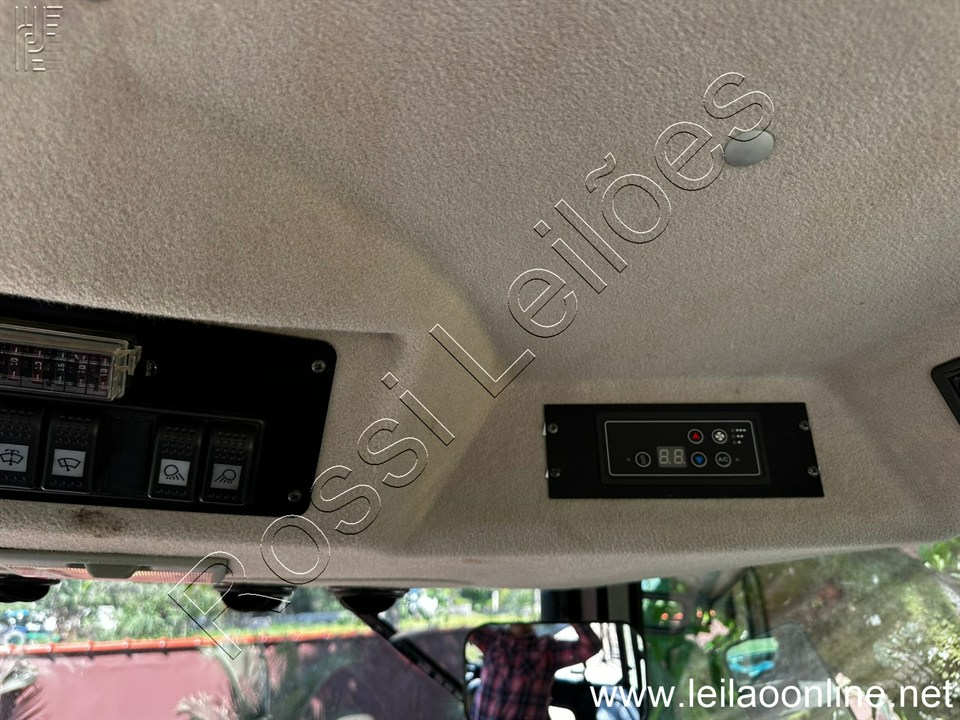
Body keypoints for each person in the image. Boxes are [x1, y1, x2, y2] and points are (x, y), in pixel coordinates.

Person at [469, 623, 602, 720]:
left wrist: (567, 613)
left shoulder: (546, 649)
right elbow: (466, 626)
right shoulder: (494, 640)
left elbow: (590, 646)